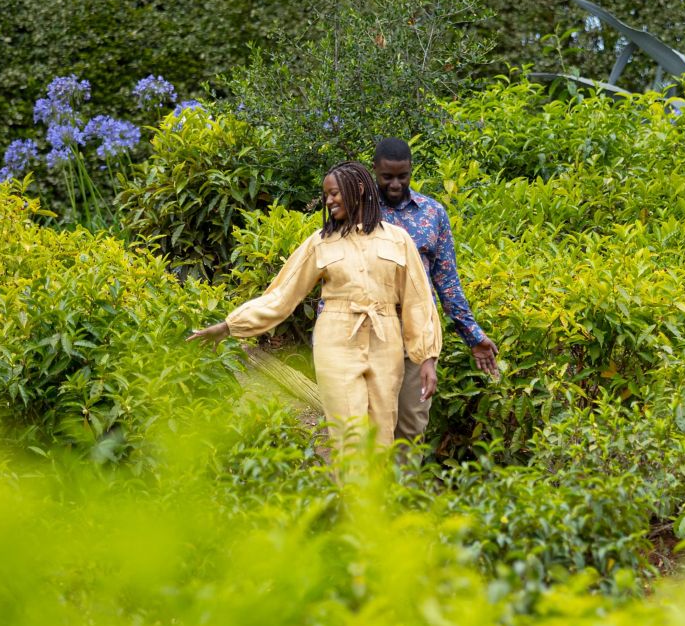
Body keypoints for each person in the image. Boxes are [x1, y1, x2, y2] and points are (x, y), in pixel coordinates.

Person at [190, 161, 441, 454]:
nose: (329, 201)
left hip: (386, 341)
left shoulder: (398, 240)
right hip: (337, 340)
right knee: (349, 436)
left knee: (382, 435)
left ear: (359, 189)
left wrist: (427, 358)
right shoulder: (320, 244)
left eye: (334, 193)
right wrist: (230, 325)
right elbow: (282, 295)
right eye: (326, 196)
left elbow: (418, 301)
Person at [370, 137, 497, 442]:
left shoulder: (432, 212)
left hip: (418, 334)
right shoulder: (360, 210)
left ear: (411, 170)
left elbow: (447, 281)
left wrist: (473, 335)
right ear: (374, 170)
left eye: (403, 176)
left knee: (411, 426)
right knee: (370, 425)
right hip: (371, 333)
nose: (395, 184)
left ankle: (405, 475)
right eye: (387, 177)